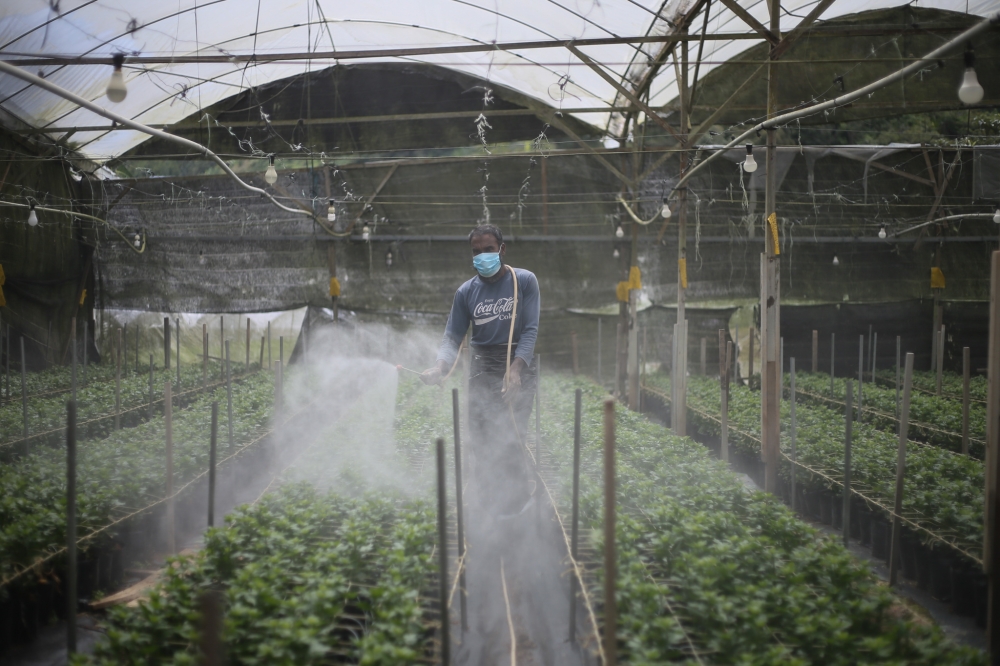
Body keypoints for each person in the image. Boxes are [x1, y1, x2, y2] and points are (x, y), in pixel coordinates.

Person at [422, 224, 540, 517]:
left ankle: (516, 507)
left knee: (510, 436)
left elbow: (529, 331)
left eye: (488, 249)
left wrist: (515, 369)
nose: (482, 256)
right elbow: (452, 336)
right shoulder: (466, 293)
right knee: (482, 438)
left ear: (502, 249)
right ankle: (489, 505)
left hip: (517, 364)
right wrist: (439, 367)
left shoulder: (523, 281)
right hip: (482, 366)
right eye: (476, 252)